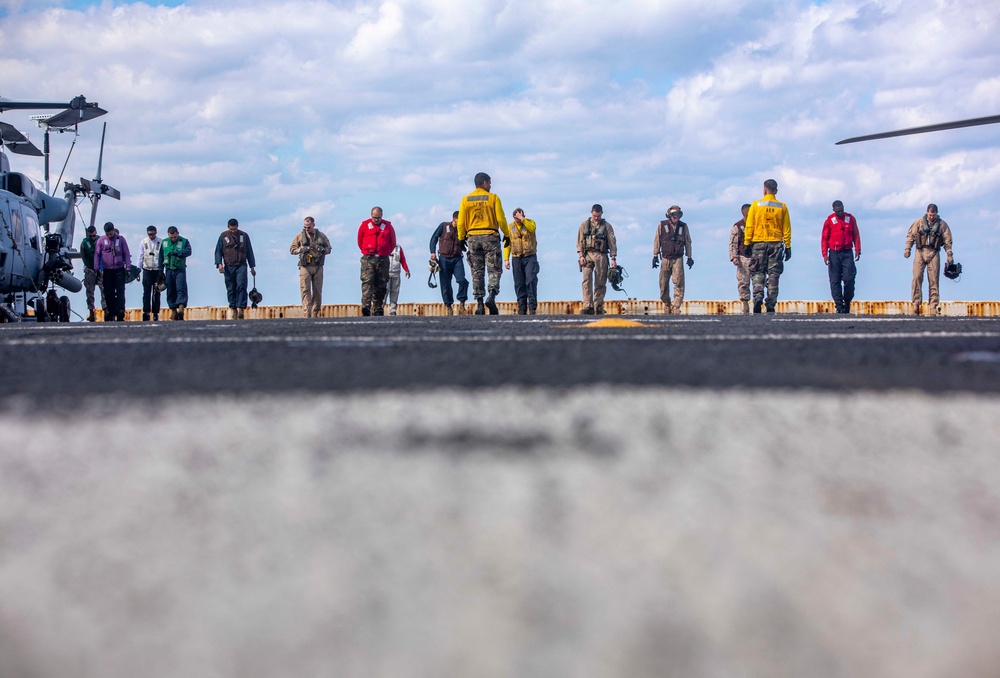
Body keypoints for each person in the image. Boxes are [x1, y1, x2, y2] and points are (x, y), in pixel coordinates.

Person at [457, 172, 509, 315]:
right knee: (494, 269)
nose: (491, 186)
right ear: (484, 183)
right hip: (490, 236)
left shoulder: (465, 200)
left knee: (477, 272)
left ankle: (479, 305)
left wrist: (461, 238)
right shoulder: (493, 198)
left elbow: (461, 222)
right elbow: (501, 218)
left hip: (472, 238)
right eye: (490, 183)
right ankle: (491, 296)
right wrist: (507, 234)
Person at [743, 179, 792, 314]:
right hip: (776, 244)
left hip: (758, 243)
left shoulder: (755, 205)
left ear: (764, 190)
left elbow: (749, 226)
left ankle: (758, 297)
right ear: (776, 191)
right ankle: (770, 303)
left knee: (758, 272)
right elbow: (786, 228)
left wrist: (747, 243)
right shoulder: (782, 207)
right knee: (773, 274)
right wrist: (788, 246)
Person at [904, 203, 955, 316]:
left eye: (933, 215)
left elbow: (947, 240)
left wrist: (949, 254)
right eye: (930, 214)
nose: (931, 217)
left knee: (933, 280)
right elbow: (910, 236)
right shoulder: (918, 223)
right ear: (927, 212)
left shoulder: (942, 225)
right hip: (920, 252)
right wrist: (907, 249)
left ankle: (933, 306)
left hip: (934, 252)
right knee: (917, 277)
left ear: (936, 213)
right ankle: (915, 304)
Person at [821, 200, 862, 314]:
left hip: (847, 252)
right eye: (838, 211)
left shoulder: (851, 218)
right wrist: (825, 255)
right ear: (833, 210)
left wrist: (858, 249)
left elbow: (856, 234)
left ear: (844, 208)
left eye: (841, 210)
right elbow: (824, 238)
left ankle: (847, 301)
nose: (840, 213)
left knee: (849, 278)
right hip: (834, 253)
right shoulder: (829, 221)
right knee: (834, 280)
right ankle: (839, 305)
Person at [576, 204, 618, 315]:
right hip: (588, 254)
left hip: (601, 255)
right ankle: (587, 306)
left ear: (602, 214)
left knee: (600, 281)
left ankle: (598, 306)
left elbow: (612, 243)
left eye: (598, 216)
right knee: (586, 280)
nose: (596, 218)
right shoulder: (584, 225)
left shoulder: (607, 226)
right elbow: (579, 242)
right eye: (595, 216)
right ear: (591, 213)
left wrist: (613, 258)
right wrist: (581, 256)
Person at [651, 205, 694, 314]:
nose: (676, 217)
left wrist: (689, 257)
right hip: (665, 258)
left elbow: (688, 242)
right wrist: (655, 255)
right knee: (663, 283)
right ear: (669, 216)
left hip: (678, 258)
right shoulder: (662, 225)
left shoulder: (683, 227)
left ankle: (676, 307)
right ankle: (666, 303)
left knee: (679, 283)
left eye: (677, 215)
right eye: (673, 215)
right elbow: (657, 240)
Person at [289, 216, 332, 318]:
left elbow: (329, 249)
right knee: (305, 290)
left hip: (317, 267)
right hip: (305, 267)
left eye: (308, 227)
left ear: (313, 225)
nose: (307, 229)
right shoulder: (299, 236)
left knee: (317, 291)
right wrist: (300, 250)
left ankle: (314, 313)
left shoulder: (321, 236)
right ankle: (306, 313)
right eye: (305, 227)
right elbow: (292, 250)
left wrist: (323, 250)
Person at [357, 206, 396, 316]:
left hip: (383, 259)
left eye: (378, 217)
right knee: (367, 283)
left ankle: (378, 307)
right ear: (371, 216)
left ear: (382, 216)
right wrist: (367, 251)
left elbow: (392, 242)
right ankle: (366, 306)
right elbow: (360, 241)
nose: (376, 220)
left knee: (381, 284)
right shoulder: (364, 225)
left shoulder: (388, 226)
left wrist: (385, 252)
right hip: (368, 258)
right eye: (374, 217)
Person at [214, 218, 256, 320]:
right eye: (232, 229)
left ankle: (241, 308)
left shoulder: (244, 236)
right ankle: (233, 308)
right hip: (228, 266)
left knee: (241, 286)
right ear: (228, 227)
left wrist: (252, 267)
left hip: (241, 265)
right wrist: (219, 264)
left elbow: (249, 252)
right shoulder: (223, 236)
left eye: (235, 229)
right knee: (230, 288)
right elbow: (218, 252)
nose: (233, 231)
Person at [429, 211, 469, 315]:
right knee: (445, 284)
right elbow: (434, 238)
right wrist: (432, 252)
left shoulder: (463, 229)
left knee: (462, 280)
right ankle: (448, 306)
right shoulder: (443, 226)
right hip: (444, 259)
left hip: (457, 259)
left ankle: (462, 304)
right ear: (455, 219)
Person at [93, 221, 131, 322]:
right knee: (108, 292)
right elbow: (97, 254)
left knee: (120, 291)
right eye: (107, 234)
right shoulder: (101, 240)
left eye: (110, 233)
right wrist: (96, 268)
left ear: (114, 231)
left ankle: (120, 311)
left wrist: (128, 267)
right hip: (107, 270)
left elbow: (126, 253)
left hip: (119, 269)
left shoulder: (121, 239)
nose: (109, 235)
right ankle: (110, 312)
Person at [504, 208, 539, 315]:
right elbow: (507, 244)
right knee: (519, 283)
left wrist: (522, 219)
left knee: (531, 280)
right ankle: (522, 308)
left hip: (530, 256)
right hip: (516, 258)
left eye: (519, 216)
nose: (517, 219)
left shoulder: (530, 223)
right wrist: (506, 259)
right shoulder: (510, 227)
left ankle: (532, 307)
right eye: (516, 217)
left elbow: (532, 229)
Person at [159, 226, 191, 320]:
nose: (173, 239)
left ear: (177, 233)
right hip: (169, 269)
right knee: (170, 290)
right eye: (171, 237)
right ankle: (173, 311)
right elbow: (160, 256)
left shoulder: (184, 241)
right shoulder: (164, 242)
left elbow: (188, 251)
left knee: (181, 288)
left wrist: (178, 253)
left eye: (174, 237)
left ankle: (181, 309)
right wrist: (160, 271)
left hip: (179, 269)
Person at [79, 225, 107, 322]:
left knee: (104, 289)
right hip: (90, 269)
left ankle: (106, 309)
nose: (93, 238)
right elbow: (82, 256)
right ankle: (91, 311)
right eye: (90, 236)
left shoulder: (102, 240)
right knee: (90, 291)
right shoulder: (84, 243)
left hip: (101, 269)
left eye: (94, 235)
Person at [728, 204, 752, 313]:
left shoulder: (758, 225)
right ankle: (745, 304)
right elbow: (733, 243)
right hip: (743, 258)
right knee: (743, 282)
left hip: (756, 257)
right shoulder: (738, 226)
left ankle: (757, 303)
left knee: (758, 283)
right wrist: (733, 257)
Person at [138, 225, 163, 321]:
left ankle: (156, 312)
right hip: (147, 269)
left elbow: (162, 256)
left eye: (152, 234)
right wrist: (138, 270)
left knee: (156, 292)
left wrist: (162, 271)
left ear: (155, 232)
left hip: (157, 270)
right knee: (146, 292)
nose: (151, 236)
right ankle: (146, 312)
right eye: (149, 234)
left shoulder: (160, 242)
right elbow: (140, 256)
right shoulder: (143, 242)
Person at [386, 244, 410, 316]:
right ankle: (380, 308)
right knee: (384, 291)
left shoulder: (398, 248)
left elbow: (402, 260)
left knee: (395, 292)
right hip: (386, 273)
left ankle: (392, 310)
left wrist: (406, 270)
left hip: (396, 273)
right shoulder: (384, 246)